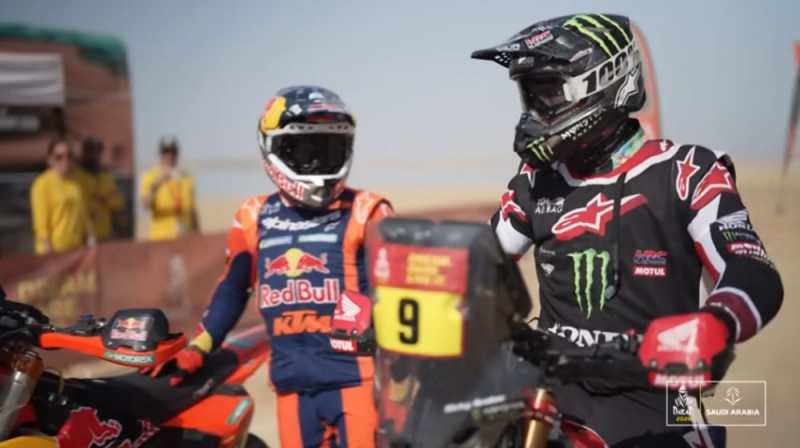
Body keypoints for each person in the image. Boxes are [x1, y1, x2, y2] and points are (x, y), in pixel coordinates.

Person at [473, 14, 783, 447]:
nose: (535, 112)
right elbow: (477, 265)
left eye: (549, 93)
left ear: (604, 81)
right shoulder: (536, 180)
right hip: (552, 401)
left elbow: (750, 267)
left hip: (660, 406)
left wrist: (718, 322)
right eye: (530, 96)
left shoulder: (687, 172)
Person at [145, 86, 393, 448]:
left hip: (355, 381)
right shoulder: (254, 215)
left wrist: (361, 327)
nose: (318, 161)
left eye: (329, 148)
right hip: (291, 385)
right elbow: (232, 289)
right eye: (306, 149)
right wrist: (198, 347)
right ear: (275, 148)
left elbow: (387, 293)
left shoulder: (368, 210)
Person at [30, 138, 94, 254]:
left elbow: (82, 215)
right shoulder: (42, 185)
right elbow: (41, 225)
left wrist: (88, 239)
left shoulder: (76, 183)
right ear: (50, 159)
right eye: (59, 157)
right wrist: (48, 251)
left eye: (69, 156)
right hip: (55, 251)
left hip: (76, 250)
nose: (65, 160)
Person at [138, 137, 198, 240]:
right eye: (166, 153)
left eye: (173, 152)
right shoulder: (150, 176)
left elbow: (192, 210)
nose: (170, 156)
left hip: (185, 235)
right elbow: (146, 205)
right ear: (160, 155)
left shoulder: (186, 177)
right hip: (161, 237)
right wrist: (158, 183)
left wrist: (197, 233)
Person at [74, 137, 124, 242]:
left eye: (97, 152)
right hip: (83, 236)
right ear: (84, 153)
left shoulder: (106, 178)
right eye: (90, 152)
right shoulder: (75, 178)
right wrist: (92, 206)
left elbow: (119, 203)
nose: (94, 156)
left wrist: (105, 199)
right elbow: (77, 204)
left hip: (105, 234)